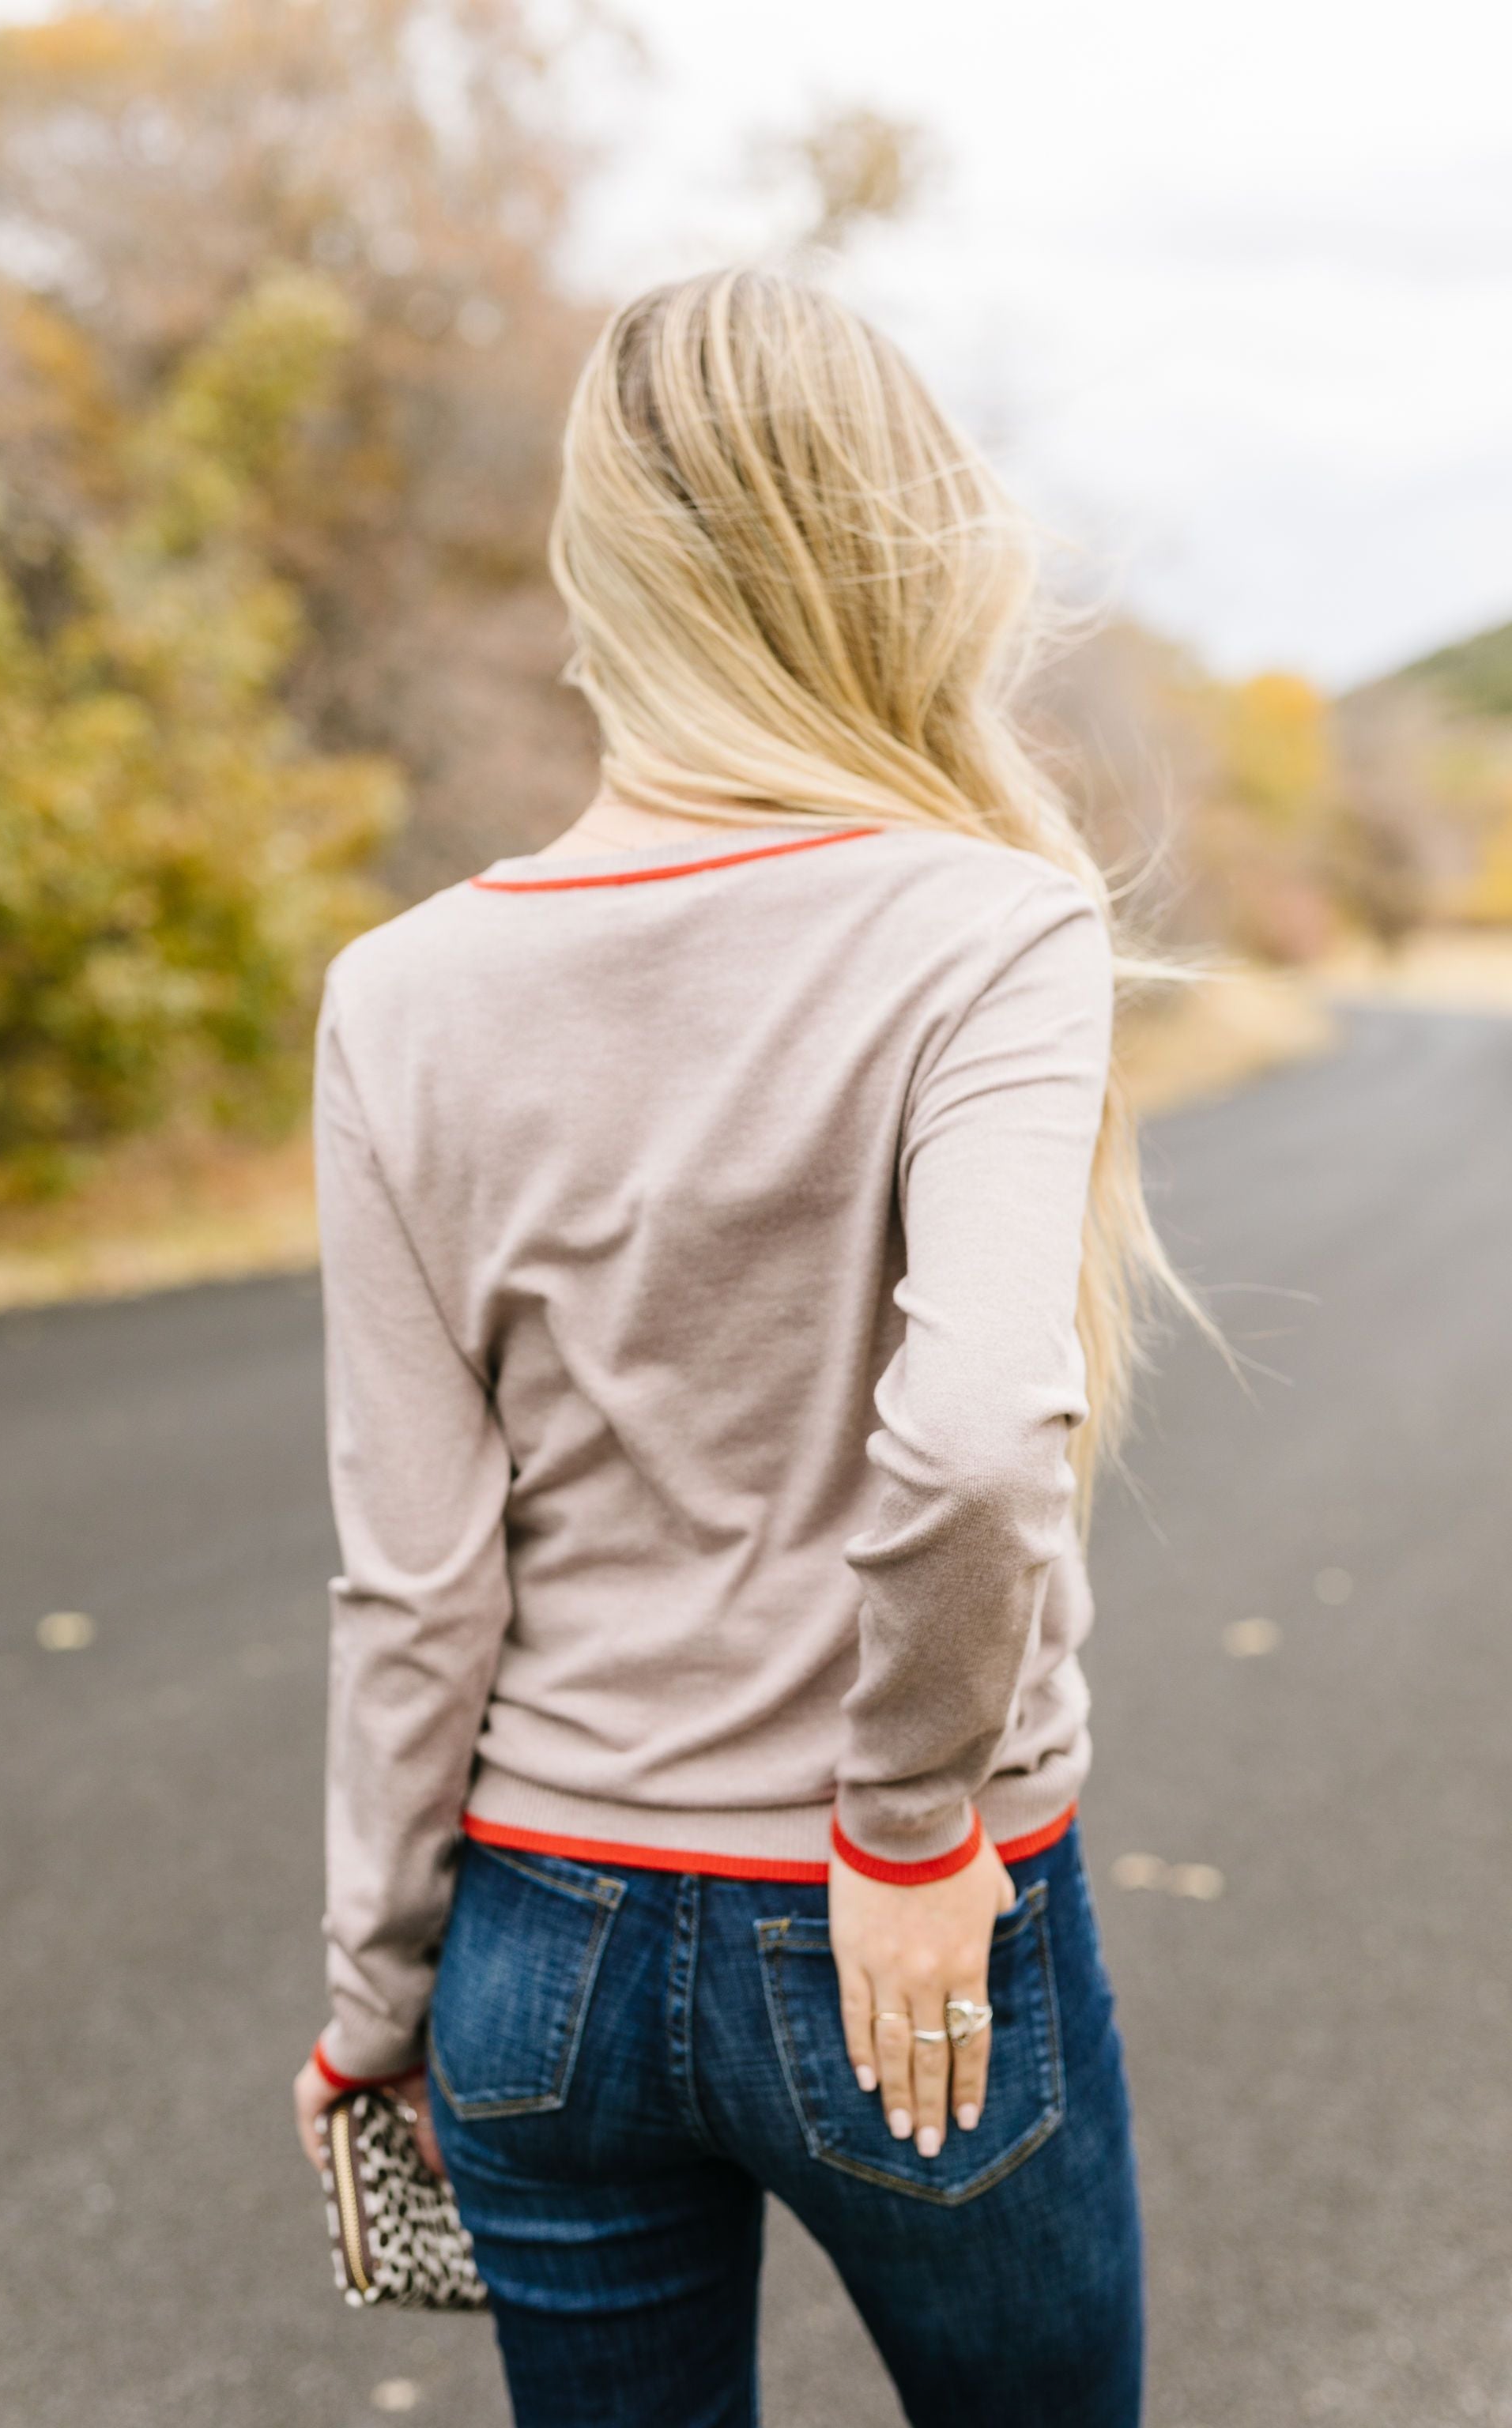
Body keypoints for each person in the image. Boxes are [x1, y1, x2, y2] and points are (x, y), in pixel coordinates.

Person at [293, 266, 1212, 2426]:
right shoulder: (993, 920)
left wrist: (374, 1997)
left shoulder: (399, 991)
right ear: (901, 541)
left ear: (598, 563)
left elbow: (417, 1579)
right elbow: (983, 1433)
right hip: (900, 1933)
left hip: (537, 1948)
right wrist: (903, 1832)